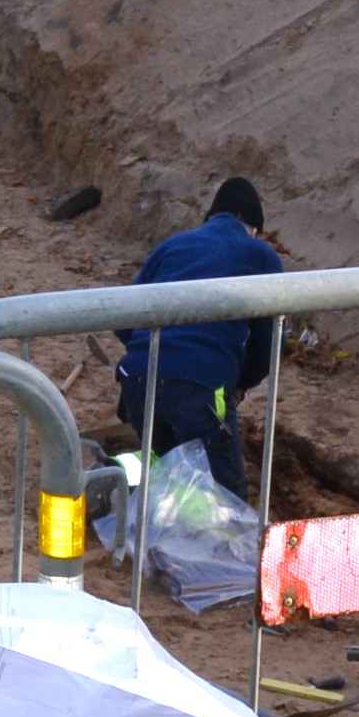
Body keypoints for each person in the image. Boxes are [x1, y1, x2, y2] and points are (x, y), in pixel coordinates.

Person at [112, 178, 282, 497]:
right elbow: (268, 346)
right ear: (254, 228)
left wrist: (152, 356)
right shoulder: (260, 255)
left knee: (171, 481)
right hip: (200, 390)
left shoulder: (172, 245)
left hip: (137, 382)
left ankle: (161, 539)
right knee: (224, 496)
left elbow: (123, 318)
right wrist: (239, 383)